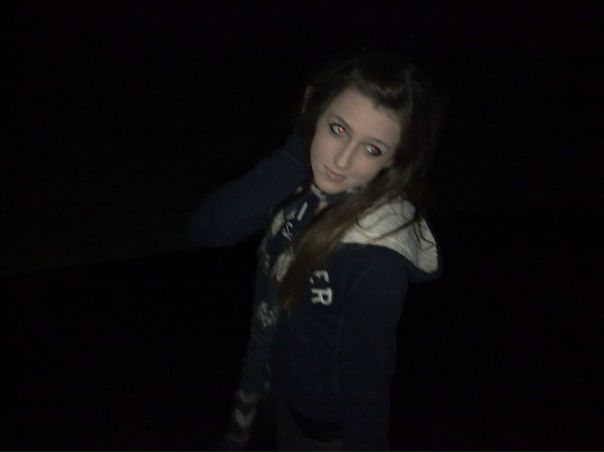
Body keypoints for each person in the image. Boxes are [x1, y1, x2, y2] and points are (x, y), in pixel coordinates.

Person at [189, 50, 443, 451]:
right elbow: (208, 230)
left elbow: (367, 383)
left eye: (372, 149)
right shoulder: (306, 189)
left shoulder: (376, 255)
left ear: (394, 159)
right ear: (314, 109)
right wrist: (295, 153)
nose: (341, 160)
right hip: (271, 389)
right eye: (338, 129)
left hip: (318, 429)